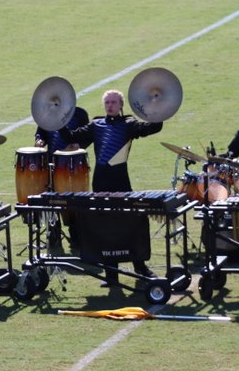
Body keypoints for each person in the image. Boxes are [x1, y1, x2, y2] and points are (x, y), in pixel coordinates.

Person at [63, 90, 165, 286]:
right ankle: (111, 275)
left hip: (121, 182)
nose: (110, 105)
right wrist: (58, 123)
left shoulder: (129, 124)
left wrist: (158, 108)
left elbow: (153, 128)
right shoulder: (96, 125)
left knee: (131, 224)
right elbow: (71, 137)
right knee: (105, 228)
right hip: (100, 183)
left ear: (121, 105)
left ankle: (140, 267)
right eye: (107, 102)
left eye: (113, 102)